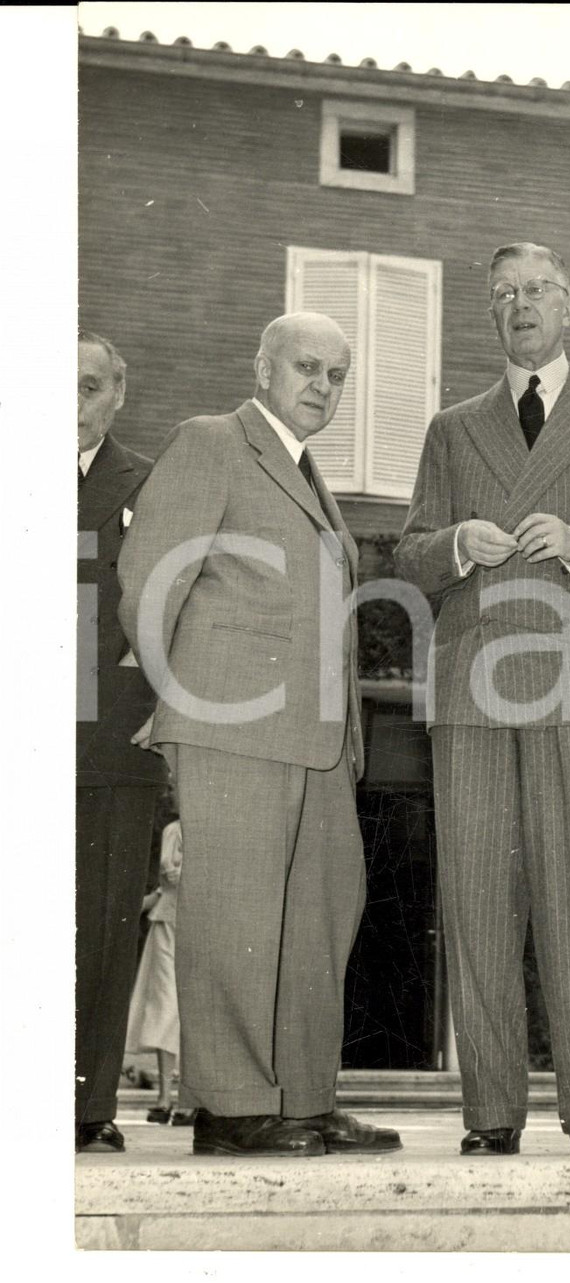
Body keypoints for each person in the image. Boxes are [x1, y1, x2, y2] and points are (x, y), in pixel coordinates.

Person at [395, 243, 570, 1156]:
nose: (520, 306)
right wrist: (454, 545)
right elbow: (407, 551)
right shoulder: (452, 428)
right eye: (503, 295)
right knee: (478, 902)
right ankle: (491, 1115)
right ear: (492, 315)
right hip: (473, 682)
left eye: (536, 292)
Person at [118, 313, 401, 1158]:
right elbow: (148, 578)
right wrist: (183, 706)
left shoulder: (309, 475)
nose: (323, 384)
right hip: (233, 727)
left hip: (316, 741)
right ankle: (233, 1107)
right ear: (263, 366)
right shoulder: (211, 441)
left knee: (318, 917)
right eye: (306, 366)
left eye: (338, 374)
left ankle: (304, 1099)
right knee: (237, 916)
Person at [77, 330, 167, 1154]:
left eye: (90, 386)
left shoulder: (147, 484)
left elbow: (173, 610)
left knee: (105, 924)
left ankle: (89, 1100)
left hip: (111, 740)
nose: (74, 404)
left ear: (117, 394)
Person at [125, 813, 194, 1126]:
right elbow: (169, 877)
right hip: (169, 924)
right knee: (166, 1005)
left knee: (196, 1012)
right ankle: (165, 1098)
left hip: (203, 928)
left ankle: (192, 1100)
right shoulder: (173, 830)